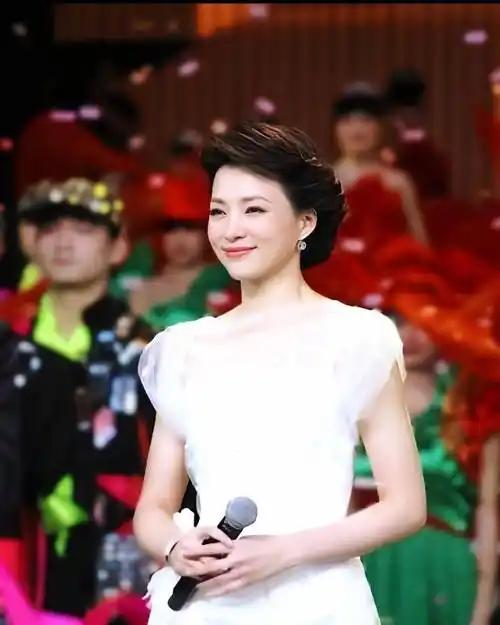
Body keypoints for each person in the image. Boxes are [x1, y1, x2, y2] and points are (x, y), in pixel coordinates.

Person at [133, 122, 426, 624]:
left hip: (317, 600)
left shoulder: (359, 339)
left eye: (254, 210)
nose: (231, 229)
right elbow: (154, 507)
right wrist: (176, 546)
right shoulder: (184, 349)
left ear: (305, 222)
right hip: (206, 605)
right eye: (218, 211)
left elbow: (404, 506)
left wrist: (284, 551)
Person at [9, 178, 179, 617]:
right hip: (22, 542)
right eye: (50, 229)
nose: (63, 242)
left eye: (84, 229)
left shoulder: (148, 347)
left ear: (118, 247)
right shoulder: (10, 340)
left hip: (122, 547)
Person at [332, 82, 429, 247]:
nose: (357, 129)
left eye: (366, 121)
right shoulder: (321, 180)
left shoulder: (399, 182)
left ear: (381, 127)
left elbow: (420, 243)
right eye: (347, 121)